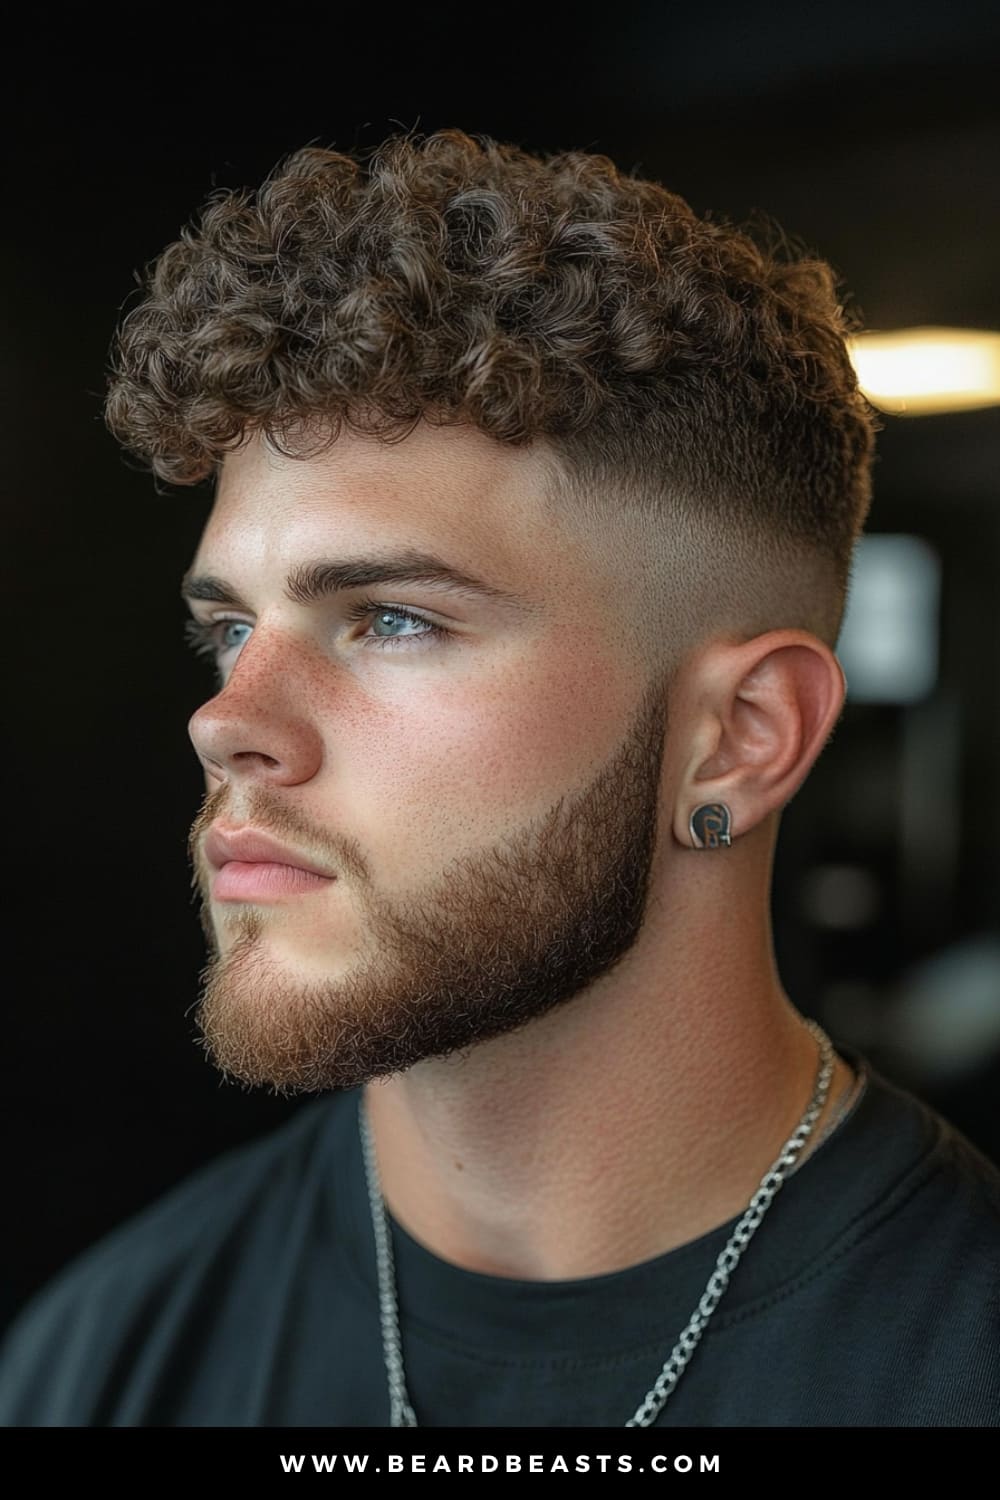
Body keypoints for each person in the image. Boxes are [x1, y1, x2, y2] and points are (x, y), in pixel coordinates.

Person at [1, 128, 997, 1430]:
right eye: (230, 630)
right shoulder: (99, 1362)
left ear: (741, 737)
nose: (228, 722)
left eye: (392, 619)